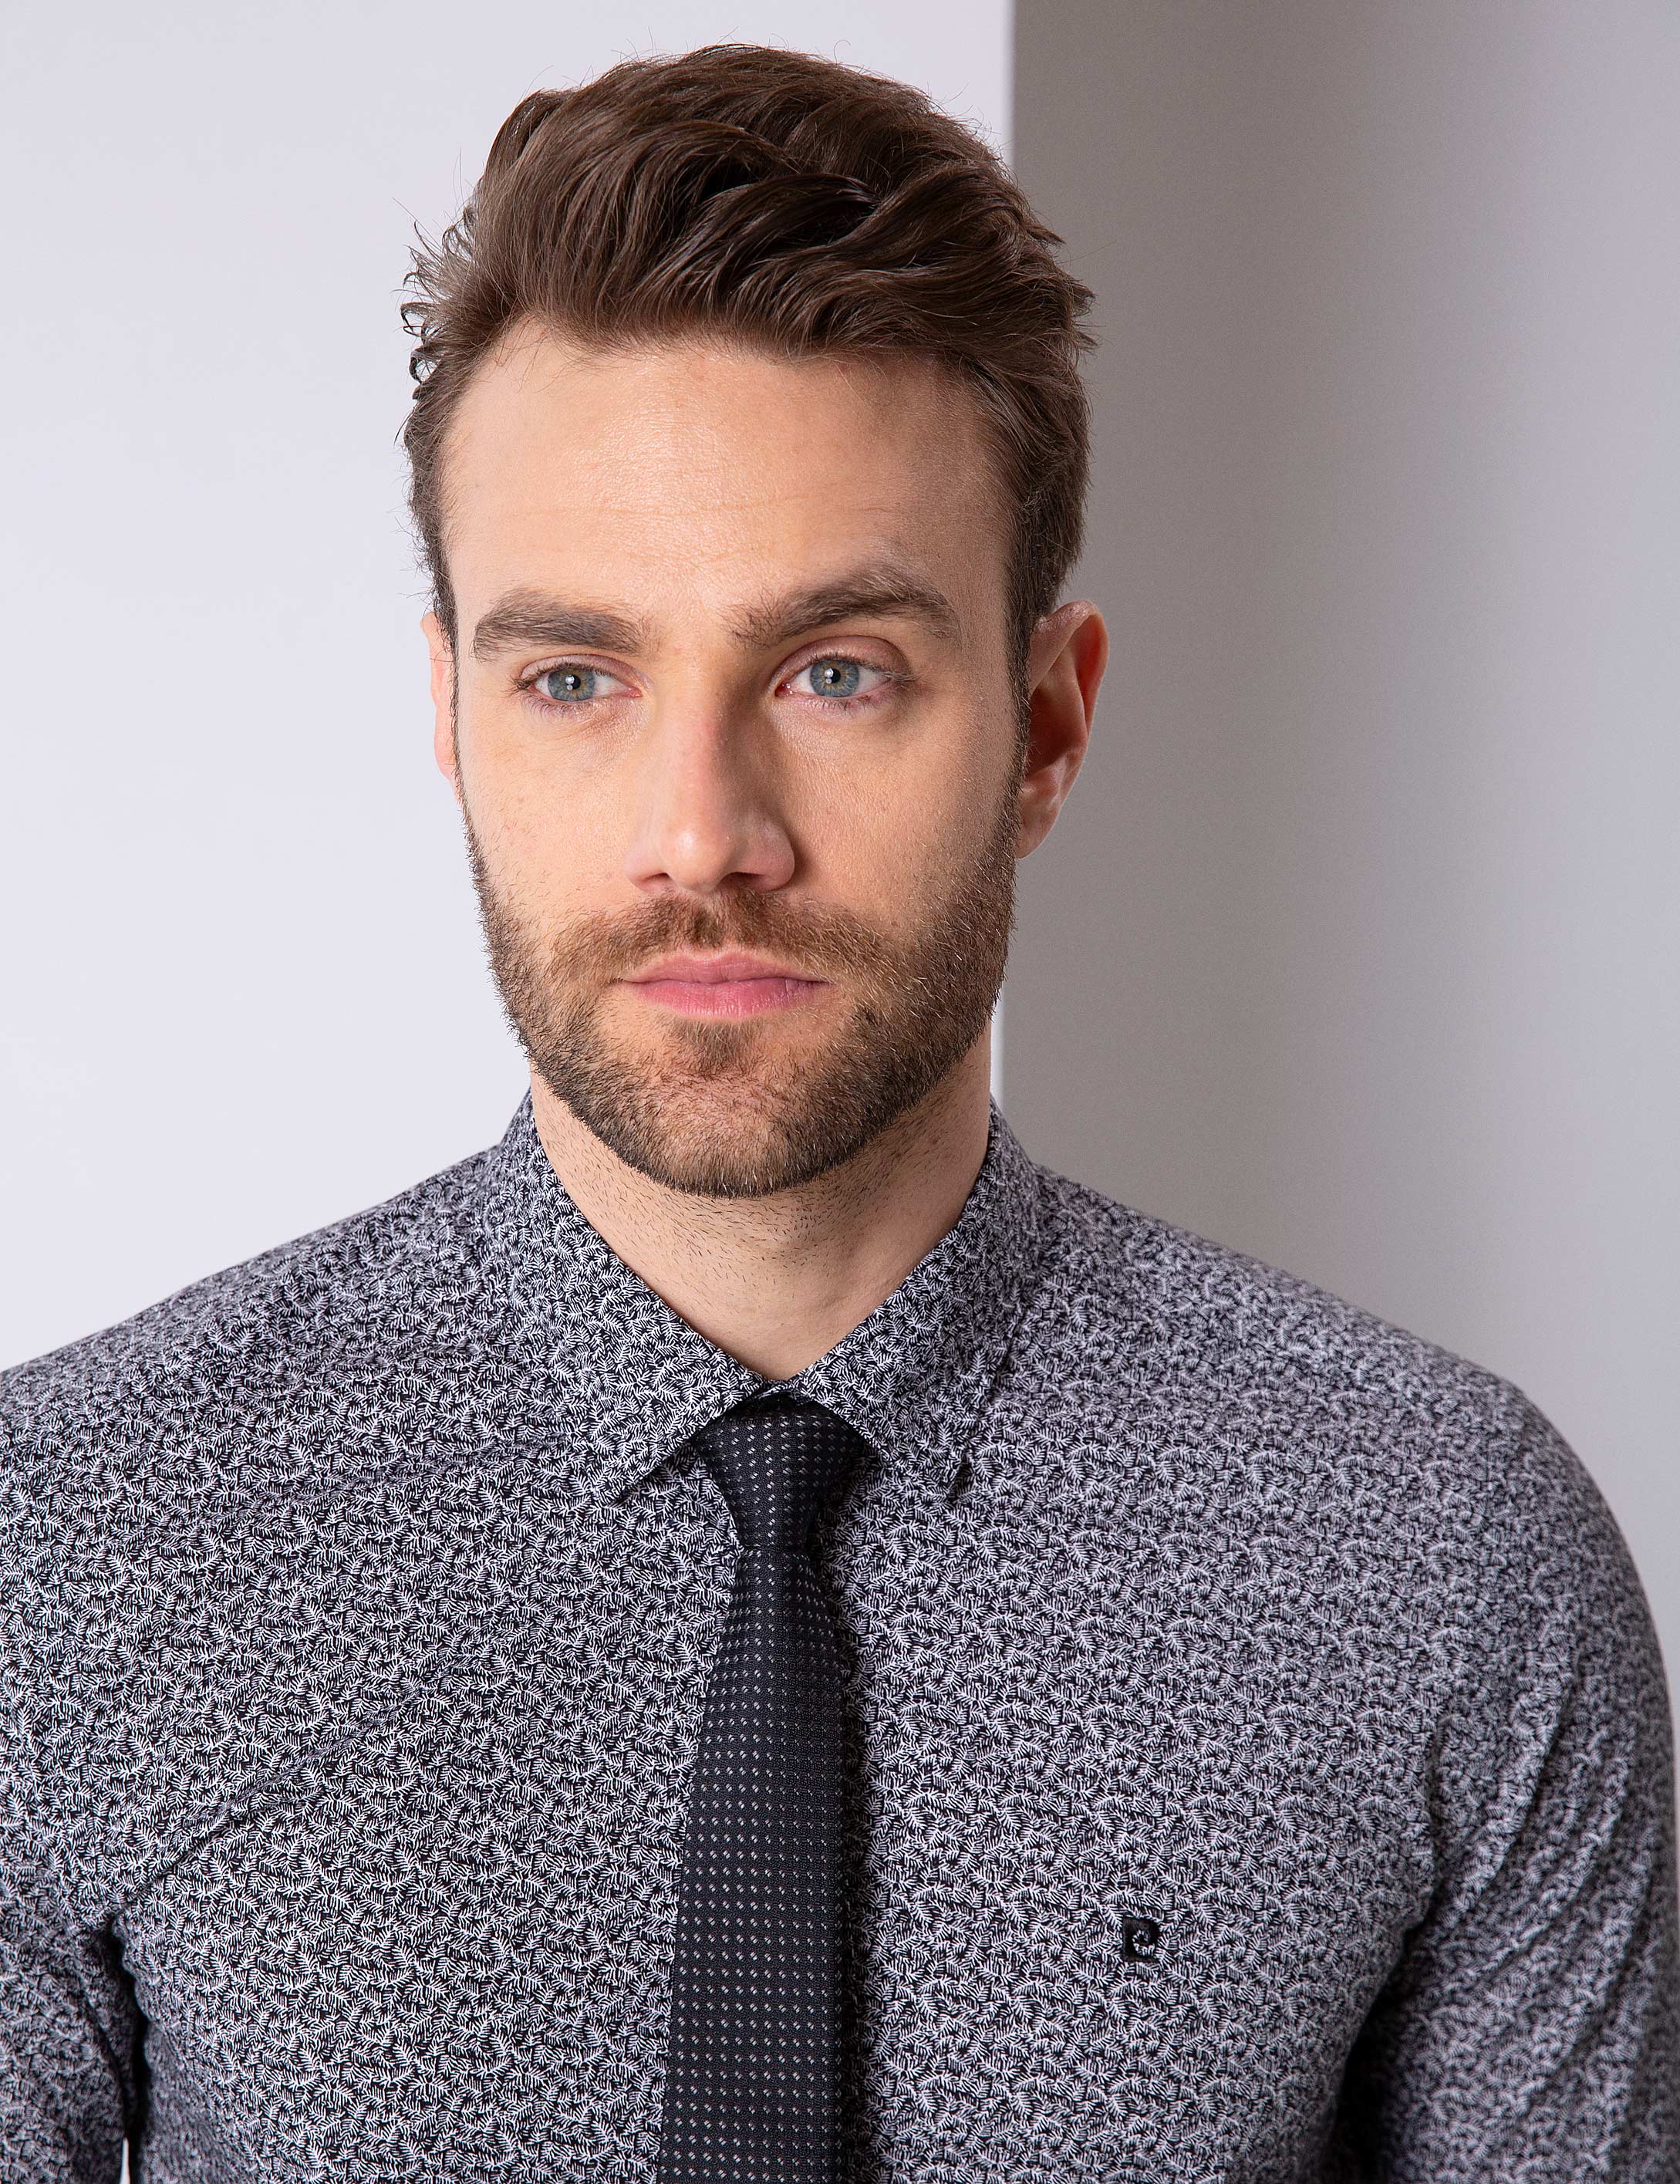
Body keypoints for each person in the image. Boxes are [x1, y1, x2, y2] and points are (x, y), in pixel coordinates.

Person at [1, 41, 1675, 2183]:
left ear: (1045, 726)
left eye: (836, 672)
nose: (702, 833)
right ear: (451, 717)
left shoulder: (1441, 1555)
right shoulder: (69, 1548)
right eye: (575, 678)